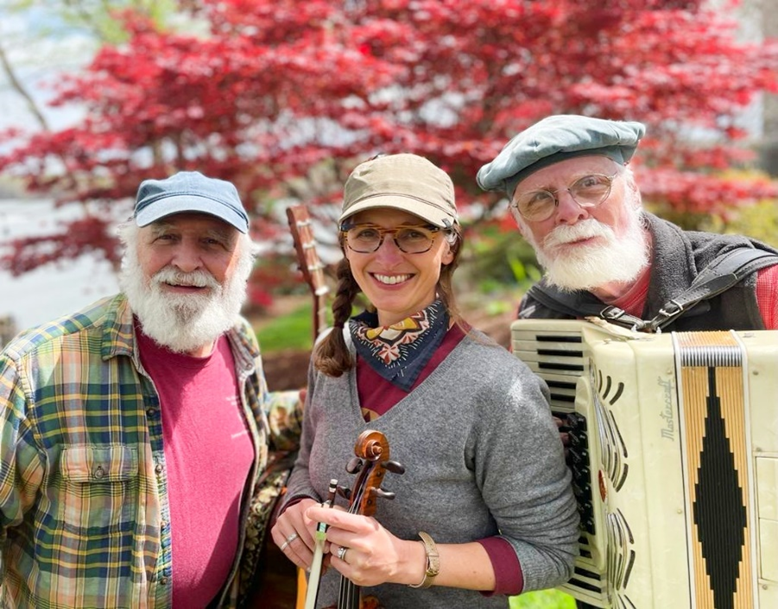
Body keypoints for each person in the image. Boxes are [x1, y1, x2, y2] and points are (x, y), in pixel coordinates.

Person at [271, 153, 579, 608]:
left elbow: (550, 553)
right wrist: (294, 505)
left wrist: (407, 560)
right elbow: (306, 467)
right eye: (367, 235)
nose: (387, 256)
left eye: (414, 235)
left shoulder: (498, 387)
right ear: (346, 245)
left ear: (449, 245)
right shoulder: (331, 355)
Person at [0, 171, 302, 608]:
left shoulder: (238, 342)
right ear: (132, 249)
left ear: (242, 260)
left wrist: (329, 400)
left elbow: (246, 419)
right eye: (165, 238)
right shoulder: (37, 371)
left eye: (212, 243)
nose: (185, 261)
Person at [476, 114, 778, 331]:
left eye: (590, 184)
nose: (569, 212)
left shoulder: (760, 286)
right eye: (539, 200)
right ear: (521, 226)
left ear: (633, 193)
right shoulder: (540, 315)